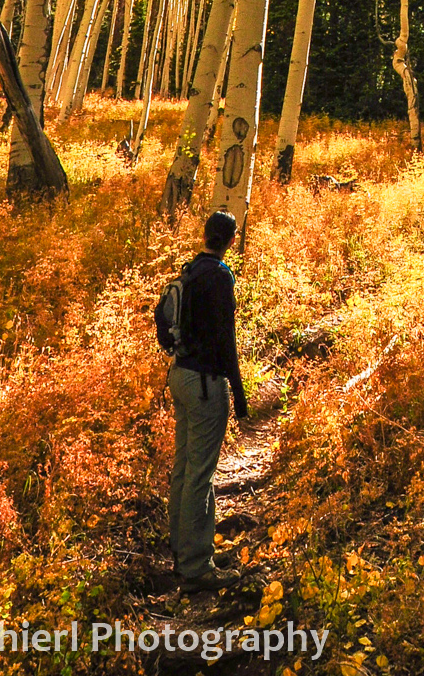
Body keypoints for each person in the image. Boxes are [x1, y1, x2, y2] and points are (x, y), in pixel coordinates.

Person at [168, 209, 249, 590]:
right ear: (231, 240)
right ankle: (197, 566)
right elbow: (225, 339)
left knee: (184, 469)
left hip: (180, 375)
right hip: (204, 384)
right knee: (200, 473)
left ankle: (181, 552)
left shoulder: (189, 271)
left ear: (205, 235)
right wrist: (239, 390)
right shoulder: (219, 277)